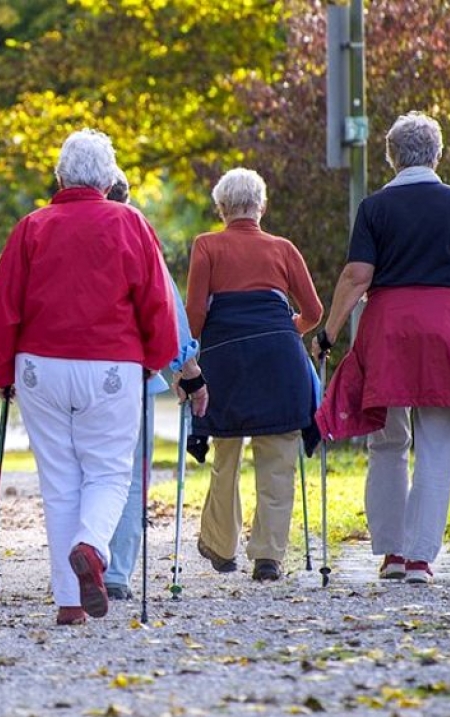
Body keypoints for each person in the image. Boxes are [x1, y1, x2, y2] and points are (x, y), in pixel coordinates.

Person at [0, 129, 181, 625]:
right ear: (110, 179)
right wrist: (157, 357)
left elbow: (1, 307)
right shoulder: (130, 223)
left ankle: (69, 601)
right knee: (109, 471)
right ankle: (91, 546)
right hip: (111, 363)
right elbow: (157, 302)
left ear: (60, 176)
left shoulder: (32, 227)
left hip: (41, 366)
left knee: (59, 480)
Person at [312, 111, 450, 584]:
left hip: (388, 330)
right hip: (447, 328)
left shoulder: (375, 207)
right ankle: (422, 558)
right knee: (438, 445)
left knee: (387, 440)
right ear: (437, 154)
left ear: (391, 158)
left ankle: (392, 554)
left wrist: (329, 332)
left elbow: (357, 277)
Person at [185, 167, 323, 582]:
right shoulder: (283, 248)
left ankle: (221, 545)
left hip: (225, 361)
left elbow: (195, 314)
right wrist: (284, 331)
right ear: (261, 206)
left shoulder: (206, 245)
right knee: (279, 456)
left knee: (226, 454)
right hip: (279, 361)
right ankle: (268, 557)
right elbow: (314, 313)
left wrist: (188, 359)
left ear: (221, 208)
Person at [103, 172, 207, 600]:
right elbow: (166, 307)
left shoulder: (54, 227)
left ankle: (85, 558)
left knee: (83, 473)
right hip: (133, 375)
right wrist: (189, 372)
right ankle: (117, 571)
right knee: (129, 476)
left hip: (68, 372)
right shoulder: (138, 234)